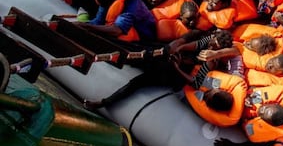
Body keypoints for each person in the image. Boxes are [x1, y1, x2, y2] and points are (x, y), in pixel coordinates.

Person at [83, 29, 236, 109]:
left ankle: (104, 102)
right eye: (212, 44)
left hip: (174, 73)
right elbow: (194, 44)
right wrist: (180, 49)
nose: (210, 47)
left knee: (137, 82)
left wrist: (177, 67)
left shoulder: (211, 62)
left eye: (214, 48)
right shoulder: (208, 38)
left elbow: (195, 83)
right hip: (168, 56)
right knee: (139, 50)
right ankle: (94, 40)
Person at [79, 0, 156, 42]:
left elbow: (117, 30)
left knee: (121, 36)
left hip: (142, 34)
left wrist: (89, 27)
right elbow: (97, 21)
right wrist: (82, 25)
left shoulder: (132, 7)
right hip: (118, 25)